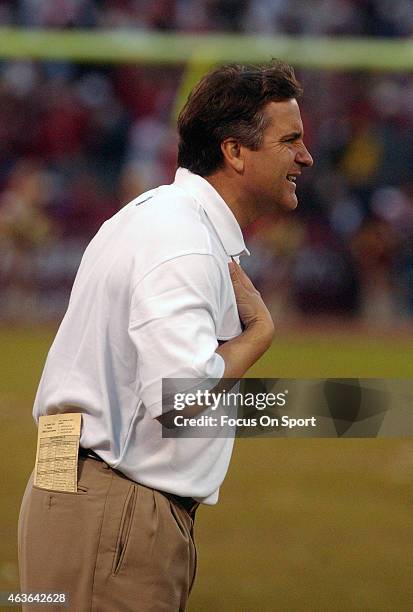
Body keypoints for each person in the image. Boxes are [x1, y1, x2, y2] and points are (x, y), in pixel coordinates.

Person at [18, 60, 313, 611]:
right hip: (112, 507)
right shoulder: (184, 239)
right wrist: (258, 336)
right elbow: (179, 400)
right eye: (289, 140)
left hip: (74, 480)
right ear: (235, 151)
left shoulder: (151, 214)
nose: (305, 156)